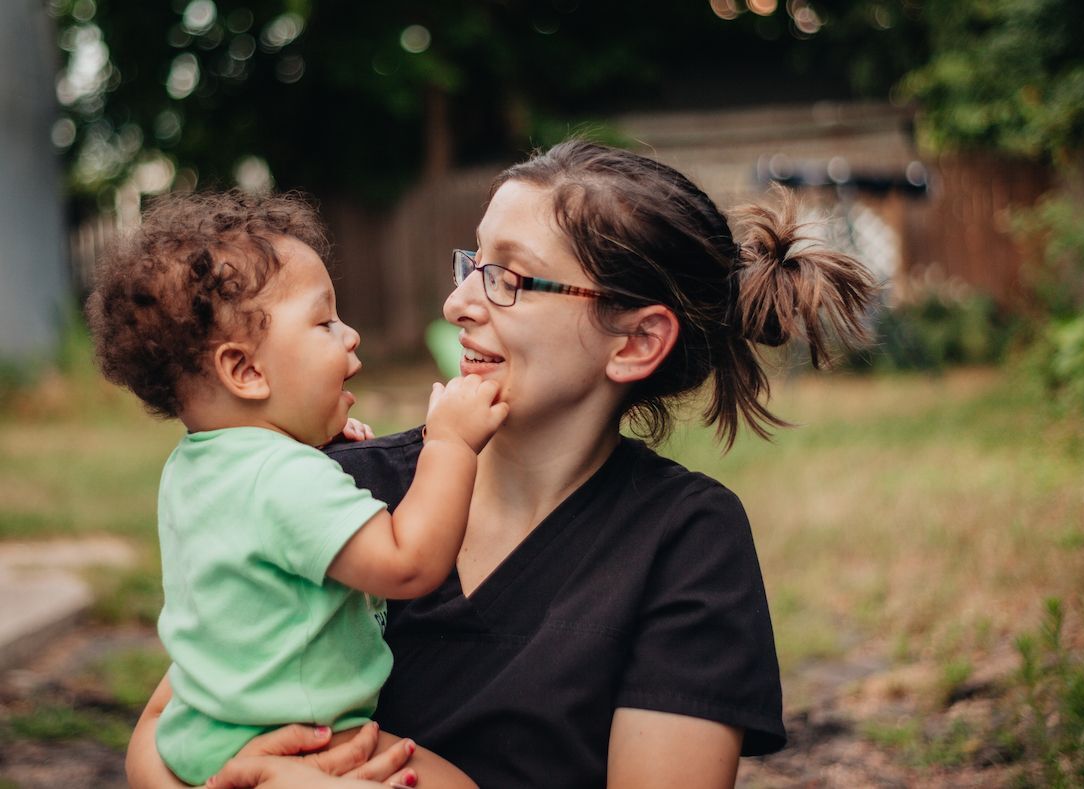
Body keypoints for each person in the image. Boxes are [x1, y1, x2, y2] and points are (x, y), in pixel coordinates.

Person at [127, 140, 876, 788]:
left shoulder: (683, 541)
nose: (457, 302)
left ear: (636, 341)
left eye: (510, 278)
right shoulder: (340, 482)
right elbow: (169, 724)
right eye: (473, 263)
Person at [88, 191, 506, 787]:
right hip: (300, 742)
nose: (351, 335)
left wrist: (310, 446)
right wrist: (451, 444)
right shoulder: (284, 478)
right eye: (325, 322)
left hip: (200, 734)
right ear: (246, 370)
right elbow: (407, 564)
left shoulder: (195, 466)